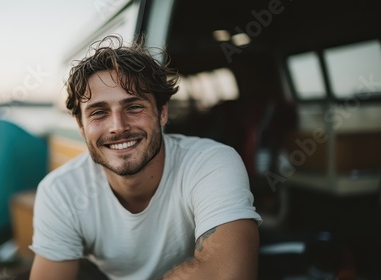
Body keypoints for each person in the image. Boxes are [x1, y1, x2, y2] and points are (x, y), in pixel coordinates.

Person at [29, 35, 262, 280]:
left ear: (162, 113)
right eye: (99, 112)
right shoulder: (60, 191)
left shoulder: (212, 163)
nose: (118, 127)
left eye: (134, 107)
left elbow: (226, 274)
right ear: (80, 125)